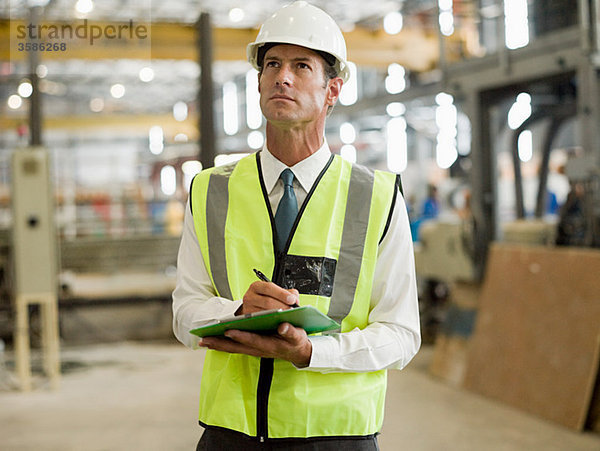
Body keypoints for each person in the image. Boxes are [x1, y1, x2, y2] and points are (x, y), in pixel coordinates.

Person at [172, 2, 420, 449]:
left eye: (301, 65)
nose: (281, 77)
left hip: (336, 437)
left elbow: (401, 334)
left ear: (333, 90)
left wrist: (312, 352)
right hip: (231, 434)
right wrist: (236, 313)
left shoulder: (377, 196)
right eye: (271, 64)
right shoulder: (209, 190)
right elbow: (185, 310)